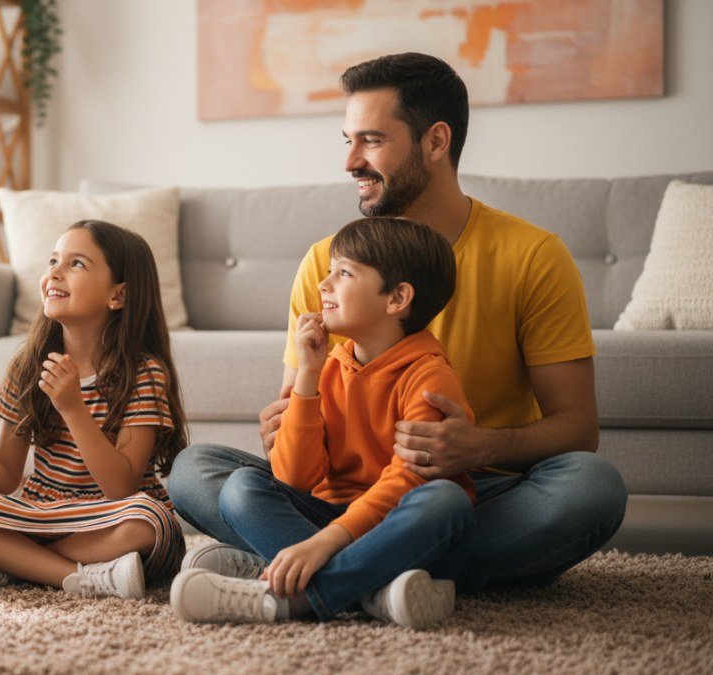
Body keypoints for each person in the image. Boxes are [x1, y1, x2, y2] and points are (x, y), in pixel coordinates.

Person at [169, 52, 627, 597]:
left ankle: (308, 567)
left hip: (468, 489)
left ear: (436, 141)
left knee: (591, 489)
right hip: (337, 495)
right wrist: (290, 421)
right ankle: (391, 578)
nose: (350, 162)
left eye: (372, 140)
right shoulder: (326, 263)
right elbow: (296, 451)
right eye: (348, 141)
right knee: (195, 470)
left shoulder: (532, 256)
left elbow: (577, 428)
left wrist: (476, 448)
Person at [171, 217, 474, 628]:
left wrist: (324, 542)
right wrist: (308, 379)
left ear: (398, 298)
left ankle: (292, 600)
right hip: (326, 517)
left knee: (446, 501)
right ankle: (372, 590)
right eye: (329, 270)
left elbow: (407, 482)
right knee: (241, 486)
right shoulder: (329, 366)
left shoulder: (429, 378)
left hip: (399, 529)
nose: (323, 284)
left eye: (344, 272)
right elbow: (295, 478)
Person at [0, 220, 187, 599]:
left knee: (151, 522)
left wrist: (73, 409)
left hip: (110, 518)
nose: (54, 273)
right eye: (53, 261)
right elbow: (7, 472)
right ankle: (73, 575)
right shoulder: (29, 366)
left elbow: (121, 487)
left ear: (118, 296)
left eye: (76, 264)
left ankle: (4, 565)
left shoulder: (143, 373)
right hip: (45, 515)